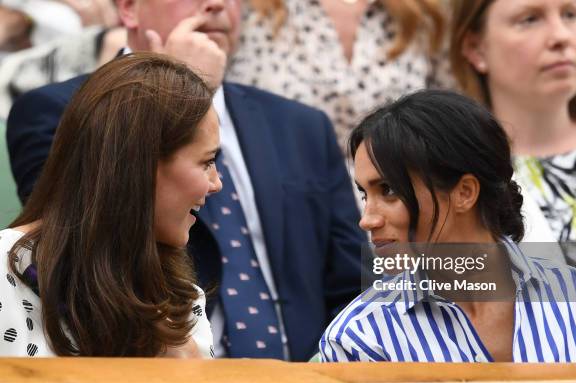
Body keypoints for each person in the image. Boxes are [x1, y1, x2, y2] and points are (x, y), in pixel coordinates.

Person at [6, 0, 365, 361]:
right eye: (207, 162)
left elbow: (353, 285)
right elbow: (81, 240)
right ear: (129, 8)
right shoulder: (61, 108)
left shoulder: (299, 125)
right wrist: (181, 86)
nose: (217, 4)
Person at [320, 90, 576, 363]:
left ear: (465, 193)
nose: (367, 219)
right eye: (364, 194)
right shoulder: (358, 339)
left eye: (388, 190)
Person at [0, 53, 220, 357]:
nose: (216, 183)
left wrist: (183, 363)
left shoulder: (181, 297)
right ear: (141, 167)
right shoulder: (3, 274)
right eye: (207, 162)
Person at [450, 0, 576, 276]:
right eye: (529, 19)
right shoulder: (450, 179)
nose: (561, 36)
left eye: (569, 14)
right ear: (476, 48)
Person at [226, 0, 455, 154]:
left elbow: (449, 121)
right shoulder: (246, 8)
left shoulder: (423, 14)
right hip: (287, 203)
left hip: (396, 201)